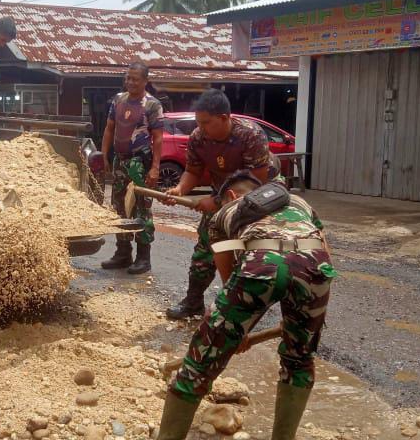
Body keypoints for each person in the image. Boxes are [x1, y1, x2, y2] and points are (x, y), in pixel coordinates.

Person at [157, 170, 335, 440]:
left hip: (261, 261)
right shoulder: (299, 202)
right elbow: (324, 252)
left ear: (230, 195)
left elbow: (229, 276)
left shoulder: (222, 215)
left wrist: (235, 329)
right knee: (299, 361)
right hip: (314, 266)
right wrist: (313, 311)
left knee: (197, 367)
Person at [162, 89, 273, 320]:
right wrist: (180, 189)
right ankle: (193, 303)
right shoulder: (198, 138)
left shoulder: (251, 135)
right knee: (205, 249)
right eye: (198, 122)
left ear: (224, 118)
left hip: (255, 199)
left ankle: (245, 307)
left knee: (250, 252)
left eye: (206, 123)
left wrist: (215, 201)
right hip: (222, 195)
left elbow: (257, 179)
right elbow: (193, 171)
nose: (200, 128)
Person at [100, 61, 164, 274]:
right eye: (128, 78)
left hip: (140, 164)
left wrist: (155, 168)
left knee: (141, 208)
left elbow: (158, 138)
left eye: (135, 79)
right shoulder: (118, 100)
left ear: (146, 81)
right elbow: (109, 129)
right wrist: (104, 155)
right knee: (119, 207)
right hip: (120, 160)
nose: (130, 82)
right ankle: (123, 253)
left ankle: (143, 257)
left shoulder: (152, 105)